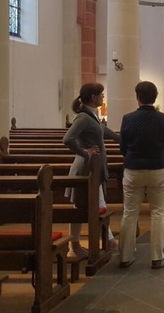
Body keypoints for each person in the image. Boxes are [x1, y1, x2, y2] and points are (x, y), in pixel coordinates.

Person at [118, 81, 164, 270]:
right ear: (155, 97)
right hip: (158, 168)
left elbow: (123, 147)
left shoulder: (128, 118)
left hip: (133, 169)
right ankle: (158, 257)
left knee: (129, 212)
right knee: (158, 212)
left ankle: (125, 256)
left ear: (137, 97)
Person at [63, 83, 120, 258]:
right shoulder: (83, 117)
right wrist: (85, 152)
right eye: (101, 94)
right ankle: (106, 242)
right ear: (94, 97)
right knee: (92, 205)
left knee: (84, 206)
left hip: (93, 168)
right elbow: (68, 139)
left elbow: (102, 130)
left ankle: (76, 246)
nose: (103, 97)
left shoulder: (91, 115)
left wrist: (120, 139)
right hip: (86, 169)